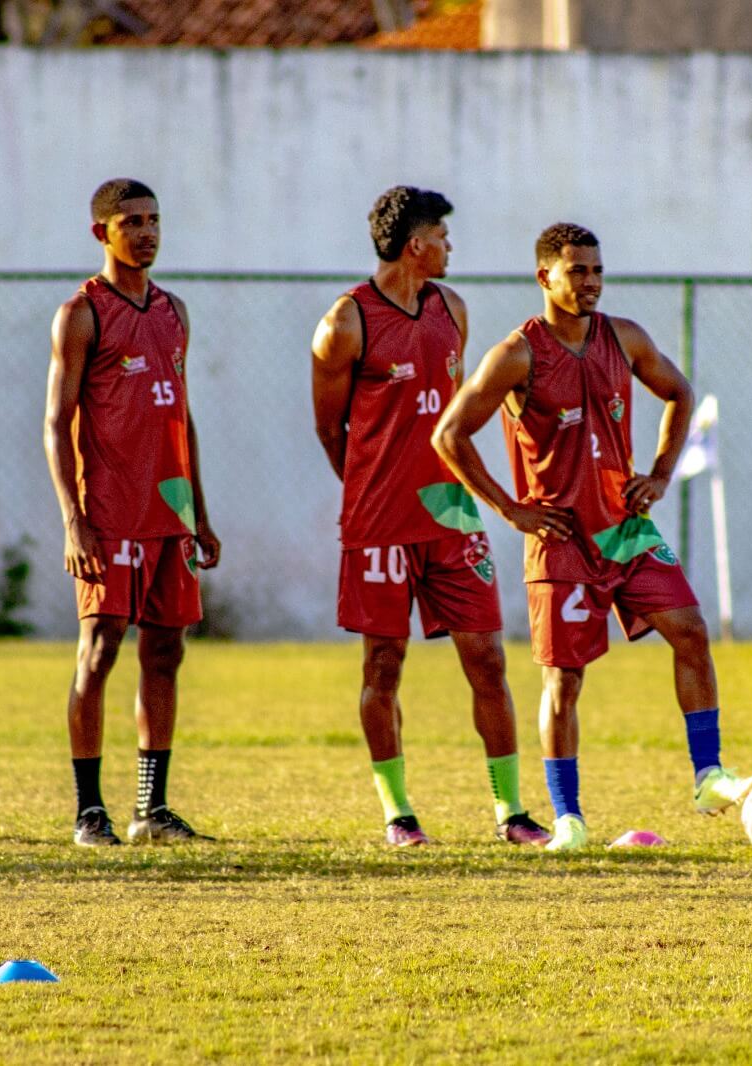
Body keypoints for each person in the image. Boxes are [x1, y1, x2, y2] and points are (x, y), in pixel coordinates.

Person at [432, 222, 751, 852]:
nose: (591, 283)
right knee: (564, 679)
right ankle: (569, 819)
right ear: (544, 276)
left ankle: (708, 776)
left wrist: (659, 474)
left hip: (626, 528)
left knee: (689, 630)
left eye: (598, 270)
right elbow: (449, 434)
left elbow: (679, 393)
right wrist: (509, 509)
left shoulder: (623, 337)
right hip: (560, 539)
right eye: (578, 271)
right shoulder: (516, 354)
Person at [310, 186, 549, 847]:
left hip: (453, 517)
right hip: (378, 525)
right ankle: (398, 815)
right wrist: (374, 491)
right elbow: (331, 431)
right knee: (383, 664)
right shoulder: (344, 324)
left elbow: (455, 417)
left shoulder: (454, 310)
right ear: (416, 245)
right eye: (443, 235)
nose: (452, 246)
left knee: (489, 659)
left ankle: (511, 812)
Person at [44, 178, 221, 847]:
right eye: (132, 222)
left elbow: (183, 415)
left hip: (169, 513)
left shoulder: (174, 310)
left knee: (166, 652)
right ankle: (91, 809)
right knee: (99, 650)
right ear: (102, 234)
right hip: (110, 513)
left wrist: (201, 512)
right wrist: (73, 517)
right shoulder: (82, 314)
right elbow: (56, 424)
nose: (147, 232)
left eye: (154, 220)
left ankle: (152, 807)